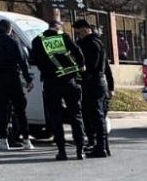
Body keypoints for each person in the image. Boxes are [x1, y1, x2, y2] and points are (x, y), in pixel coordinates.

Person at [29, 20, 85, 161]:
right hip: (69, 81)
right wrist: (80, 66)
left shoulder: (37, 41)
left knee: (56, 118)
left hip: (51, 83)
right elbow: (78, 53)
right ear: (58, 28)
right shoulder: (63, 37)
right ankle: (80, 151)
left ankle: (62, 152)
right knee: (76, 116)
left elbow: (33, 59)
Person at [0, 18, 35, 151]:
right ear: (8, 29)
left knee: (1, 110)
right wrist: (28, 79)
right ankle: (27, 140)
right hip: (13, 78)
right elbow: (22, 61)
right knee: (20, 110)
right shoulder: (13, 41)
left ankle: (3, 140)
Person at [73, 19, 109, 158]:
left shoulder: (90, 44)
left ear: (85, 30)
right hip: (99, 82)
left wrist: (81, 71)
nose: (78, 36)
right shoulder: (98, 41)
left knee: (97, 116)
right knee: (97, 115)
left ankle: (100, 147)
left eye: (79, 33)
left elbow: (90, 66)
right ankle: (102, 146)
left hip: (93, 83)